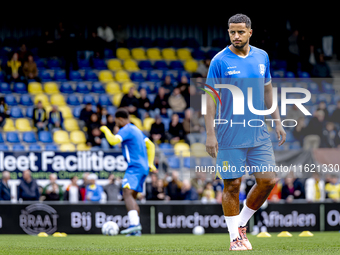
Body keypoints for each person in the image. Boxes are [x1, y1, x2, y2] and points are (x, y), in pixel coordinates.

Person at [203, 14, 286, 251]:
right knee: (232, 186)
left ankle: (240, 223)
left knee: (268, 181)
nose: (236, 36)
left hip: (258, 131)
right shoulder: (219, 60)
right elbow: (209, 101)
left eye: (240, 31)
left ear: (250, 31)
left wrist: (277, 121)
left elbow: (267, 91)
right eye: (232, 32)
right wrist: (210, 134)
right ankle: (234, 237)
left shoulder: (262, 56)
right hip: (229, 133)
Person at [100, 108, 156, 236]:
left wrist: (104, 129)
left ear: (120, 119)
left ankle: (135, 225)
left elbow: (113, 140)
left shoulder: (126, 129)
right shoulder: (137, 130)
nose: (116, 124)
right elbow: (151, 145)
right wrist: (151, 163)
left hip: (134, 167)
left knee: (126, 191)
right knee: (132, 196)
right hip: (143, 168)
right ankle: (135, 231)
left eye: (115, 121)